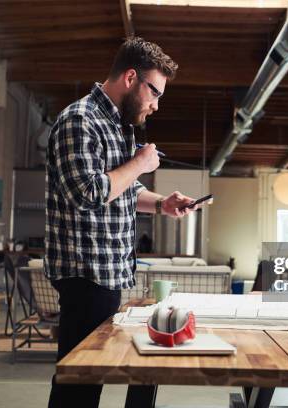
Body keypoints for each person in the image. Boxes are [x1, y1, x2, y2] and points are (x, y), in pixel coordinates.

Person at [44, 37, 199, 408]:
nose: (156, 105)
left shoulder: (118, 125)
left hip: (108, 275)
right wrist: (141, 163)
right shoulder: (79, 121)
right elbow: (89, 193)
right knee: (78, 384)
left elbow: (123, 190)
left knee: (89, 379)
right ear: (131, 77)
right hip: (85, 275)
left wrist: (163, 204)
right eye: (155, 93)